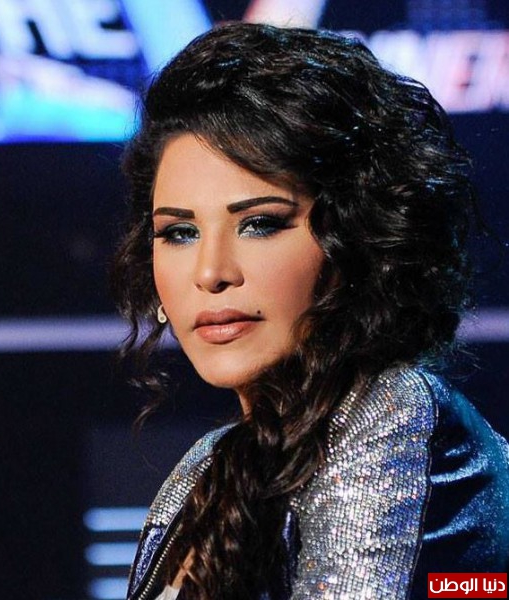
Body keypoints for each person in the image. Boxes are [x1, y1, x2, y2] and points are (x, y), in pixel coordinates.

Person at [112, 22, 509, 600]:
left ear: (355, 239)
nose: (210, 272)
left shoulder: (387, 414)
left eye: (260, 224)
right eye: (179, 233)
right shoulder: (207, 471)